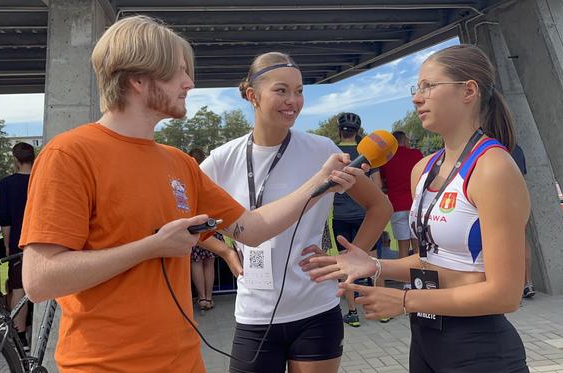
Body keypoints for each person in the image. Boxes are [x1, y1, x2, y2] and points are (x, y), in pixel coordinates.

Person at [19, 16, 364, 373]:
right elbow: (40, 280)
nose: (189, 83)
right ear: (138, 79)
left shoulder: (179, 163)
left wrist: (320, 180)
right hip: (106, 364)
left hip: (184, 360)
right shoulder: (70, 154)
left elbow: (253, 228)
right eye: (179, 72)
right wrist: (151, 247)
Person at [306, 44, 530, 372]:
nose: (416, 97)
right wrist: (375, 265)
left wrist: (405, 300)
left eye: (428, 86)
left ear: (469, 90)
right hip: (425, 338)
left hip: (480, 347)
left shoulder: (493, 168)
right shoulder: (423, 169)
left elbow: (505, 294)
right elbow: (431, 260)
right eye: (417, 88)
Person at [200, 52, 391, 373]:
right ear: (252, 96)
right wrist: (225, 251)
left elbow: (380, 206)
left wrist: (350, 260)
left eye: (299, 91)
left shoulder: (322, 150)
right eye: (281, 90)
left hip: (316, 310)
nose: (293, 101)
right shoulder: (222, 159)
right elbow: (183, 218)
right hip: (254, 314)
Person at [331, 112, 384, 327]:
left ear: (340, 131)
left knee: (346, 264)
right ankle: (380, 309)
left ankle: (352, 312)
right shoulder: (368, 154)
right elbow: (378, 188)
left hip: (341, 217)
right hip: (366, 215)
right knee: (374, 262)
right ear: (358, 131)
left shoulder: (333, 153)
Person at [187, 148, 242, 311]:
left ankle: (202, 297)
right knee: (209, 262)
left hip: (194, 224)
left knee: (196, 262)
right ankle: (209, 297)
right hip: (213, 223)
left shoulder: (188, 178)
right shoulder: (211, 178)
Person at [0, 142, 36, 349]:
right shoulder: (41, 180)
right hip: (42, 239)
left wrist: (7, 245)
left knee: (18, 288)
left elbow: (6, 220)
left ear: (16, 160)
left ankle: (19, 335)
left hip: (18, 242)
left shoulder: (7, 184)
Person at [379, 131, 424, 260]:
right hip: (415, 205)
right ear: (405, 140)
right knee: (417, 246)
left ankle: (405, 280)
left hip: (397, 205)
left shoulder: (386, 159)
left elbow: (382, 182)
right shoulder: (416, 154)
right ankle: (419, 278)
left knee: (403, 247)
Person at [511, 144, 536, 298]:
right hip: (519, 200)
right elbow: (523, 177)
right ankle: (528, 282)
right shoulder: (517, 149)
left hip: (499, 200)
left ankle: (514, 285)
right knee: (522, 241)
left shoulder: (490, 149)